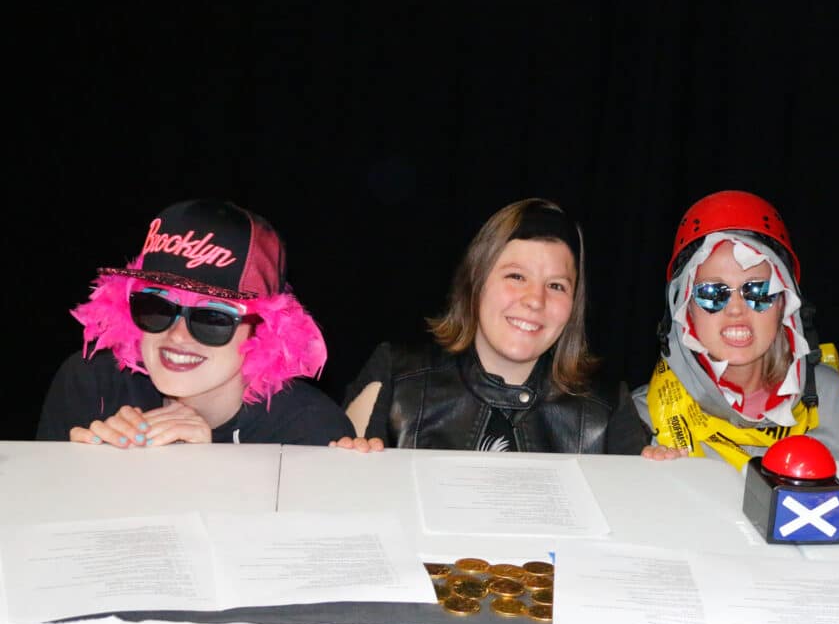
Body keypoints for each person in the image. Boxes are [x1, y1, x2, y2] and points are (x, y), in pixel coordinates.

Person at [334, 197, 650, 454]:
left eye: (556, 286)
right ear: (476, 280)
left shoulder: (609, 406)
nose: (535, 300)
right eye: (516, 276)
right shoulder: (395, 375)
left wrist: (662, 480)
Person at [37, 198, 353, 447]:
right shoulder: (90, 385)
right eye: (156, 306)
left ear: (264, 330)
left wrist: (204, 466)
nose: (177, 335)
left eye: (213, 317)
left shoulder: (308, 429)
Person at [632, 190, 839, 469]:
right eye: (712, 292)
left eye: (758, 290)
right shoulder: (644, 420)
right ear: (685, 310)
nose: (736, 309)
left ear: (786, 302)